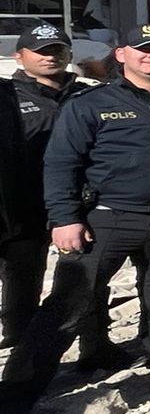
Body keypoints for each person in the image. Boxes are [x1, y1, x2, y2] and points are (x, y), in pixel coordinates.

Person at [0, 23, 150, 414]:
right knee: (69, 304)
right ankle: (16, 398)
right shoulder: (91, 102)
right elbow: (62, 162)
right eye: (143, 50)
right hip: (107, 217)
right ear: (122, 55)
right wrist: (65, 217)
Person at [0, 23, 92, 358]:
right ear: (19, 56)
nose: (50, 57)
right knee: (22, 275)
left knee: (85, 278)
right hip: (22, 200)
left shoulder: (87, 94)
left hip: (78, 202)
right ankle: (18, 340)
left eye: (57, 50)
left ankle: (93, 345)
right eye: (41, 51)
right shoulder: (7, 97)